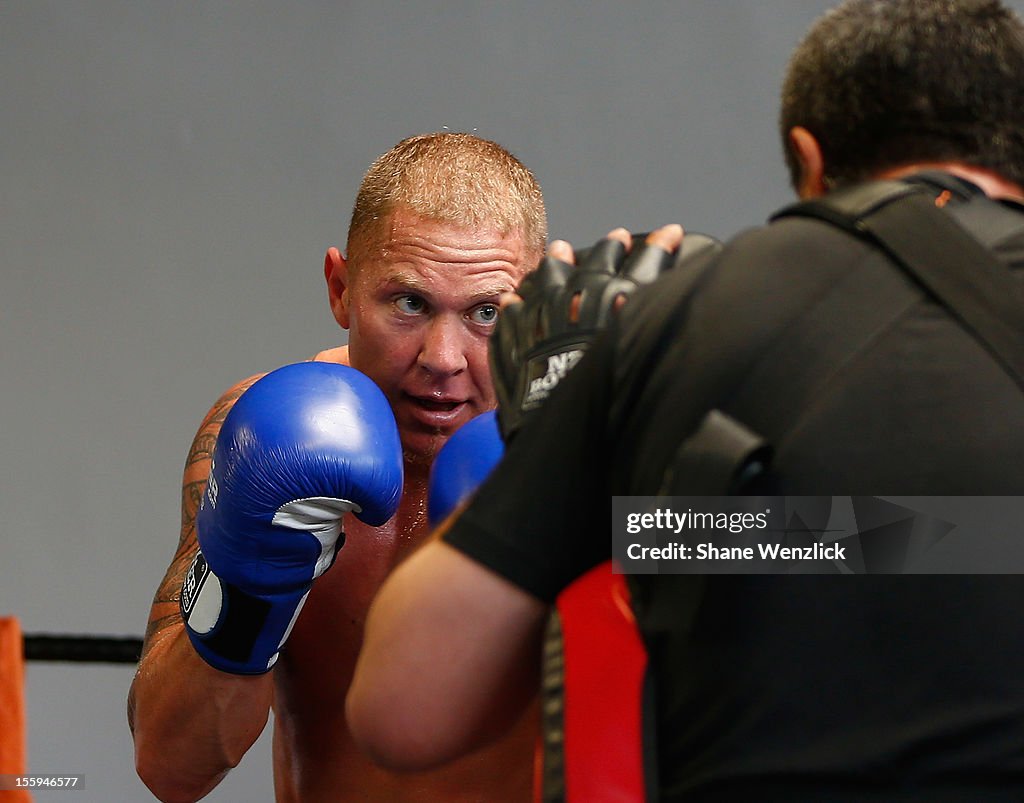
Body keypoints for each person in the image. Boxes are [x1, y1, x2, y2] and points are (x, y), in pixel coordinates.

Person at [348, 1, 1024, 800]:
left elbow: (403, 707)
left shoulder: (687, 320)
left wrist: (599, 480)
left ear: (810, 161)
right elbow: (937, 537)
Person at [127, 132, 548, 802]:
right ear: (341, 288)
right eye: (409, 302)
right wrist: (251, 588)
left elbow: (771, 551)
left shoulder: (578, 450)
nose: (443, 357)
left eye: (487, 313)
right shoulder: (261, 429)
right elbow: (170, 765)